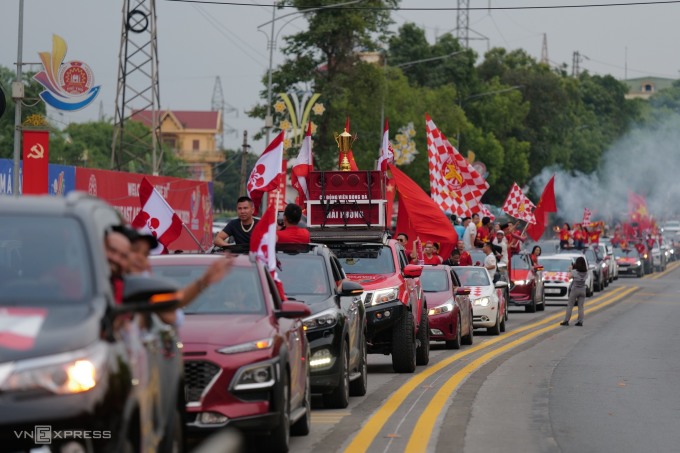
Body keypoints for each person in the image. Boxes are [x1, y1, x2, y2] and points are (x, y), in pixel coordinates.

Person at [560, 256, 588, 326]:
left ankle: (566, 321)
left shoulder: (575, 272)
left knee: (570, 306)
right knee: (581, 307)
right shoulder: (586, 272)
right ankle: (580, 321)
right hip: (582, 290)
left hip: (575, 289)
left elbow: (569, 277)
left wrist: (570, 270)